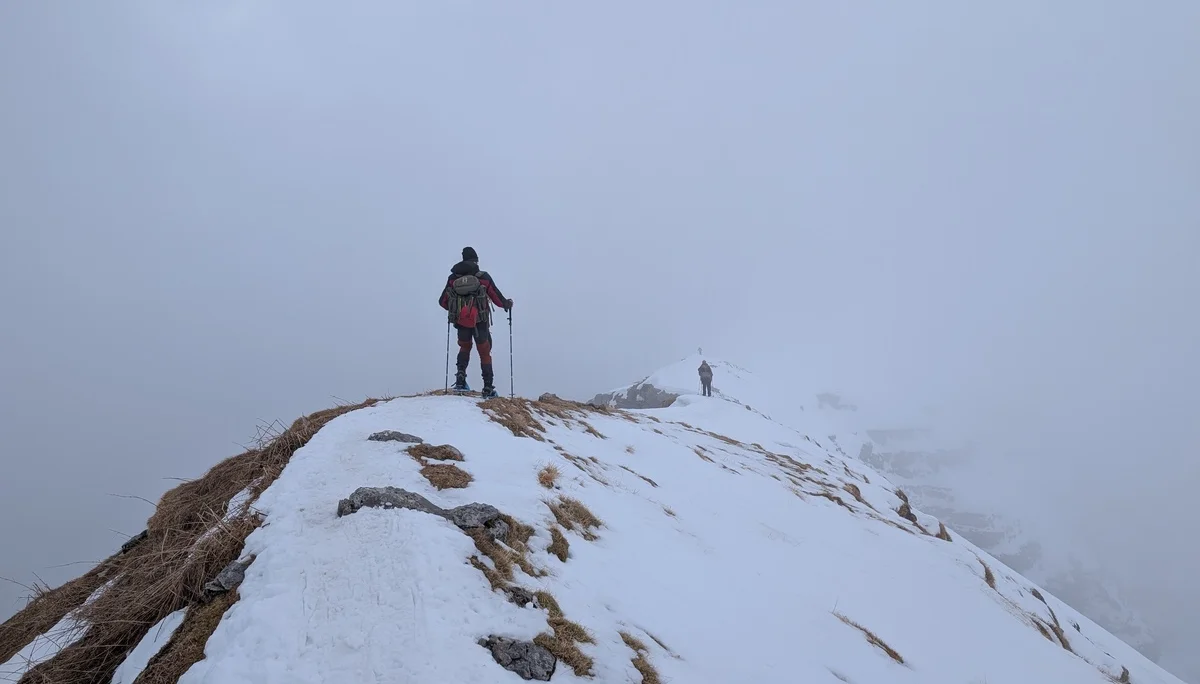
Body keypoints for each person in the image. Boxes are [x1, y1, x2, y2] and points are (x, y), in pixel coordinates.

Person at [439, 247, 512, 397]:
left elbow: (442, 301)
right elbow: (496, 297)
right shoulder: (483, 277)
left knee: (464, 347)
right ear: (476, 261)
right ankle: (488, 388)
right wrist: (507, 304)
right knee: (484, 353)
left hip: (461, 322)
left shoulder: (453, 278)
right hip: (480, 322)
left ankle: (460, 380)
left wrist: (459, 311)